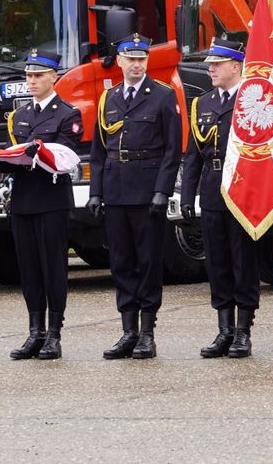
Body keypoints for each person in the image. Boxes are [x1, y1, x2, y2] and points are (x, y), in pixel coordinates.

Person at [88, 34, 181, 360]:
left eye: (142, 59)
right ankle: (127, 331)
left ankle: (147, 332)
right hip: (115, 191)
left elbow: (172, 150)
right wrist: (96, 192)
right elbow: (99, 152)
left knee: (148, 262)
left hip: (146, 192)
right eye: (131, 58)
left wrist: (162, 191)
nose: (137, 64)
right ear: (121, 61)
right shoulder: (108, 99)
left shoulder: (162, 97)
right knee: (122, 262)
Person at [0, 48, 84, 360]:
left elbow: (67, 157)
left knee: (53, 268)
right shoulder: (19, 117)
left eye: (38, 75)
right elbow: (12, 153)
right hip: (23, 200)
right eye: (29, 75)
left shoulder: (67, 114)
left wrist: (36, 154)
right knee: (30, 270)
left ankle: (54, 333)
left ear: (54, 77)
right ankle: (34, 330)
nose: (32, 81)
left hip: (51, 200)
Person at [181, 38, 261, 359]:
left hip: (243, 189)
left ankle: (243, 331)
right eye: (209, 63)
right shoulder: (202, 103)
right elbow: (192, 156)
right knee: (217, 262)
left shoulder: (252, 100)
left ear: (235, 66)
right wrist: (188, 195)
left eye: (218, 63)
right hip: (212, 189)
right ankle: (224, 329)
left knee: (243, 261)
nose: (210, 68)